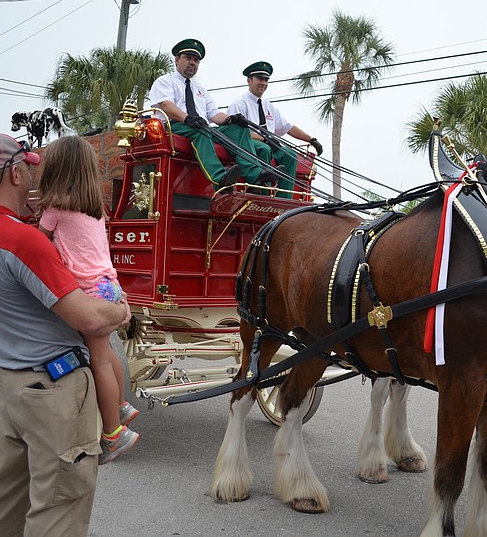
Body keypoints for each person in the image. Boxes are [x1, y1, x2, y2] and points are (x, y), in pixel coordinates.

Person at [0, 134, 131, 537]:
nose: (34, 173)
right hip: (54, 392)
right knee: (58, 511)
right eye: (29, 167)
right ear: (16, 173)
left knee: (3, 500)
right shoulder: (23, 240)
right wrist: (122, 310)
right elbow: (88, 318)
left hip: (10, 383)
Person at [37, 135, 140, 464]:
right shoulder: (95, 210)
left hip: (89, 291)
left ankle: (113, 434)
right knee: (106, 352)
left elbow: (37, 246)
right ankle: (121, 406)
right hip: (109, 286)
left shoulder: (56, 209)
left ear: (57, 168)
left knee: (97, 359)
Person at [149, 38, 254, 191]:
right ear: (177, 60)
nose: (193, 63)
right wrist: (188, 118)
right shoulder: (165, 81)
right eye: (188, 58)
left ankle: (254, 174)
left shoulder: (200, 90)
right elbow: (166, 106)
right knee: (202, 130)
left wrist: (232, 119)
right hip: (174, 126)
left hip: (200, 127)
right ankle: (220, 178)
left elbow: (214, 115)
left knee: (239, 130)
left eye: (196, 60)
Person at [226, 61, 323, 199]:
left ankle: (285, 199)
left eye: (266, 80)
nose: (263, 83)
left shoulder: (269, 107)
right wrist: (265, 139)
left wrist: (311, 139)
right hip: (250, 145)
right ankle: (262, 198)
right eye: (259, 79)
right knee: (263, 149)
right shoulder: (239, 104)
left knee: (289, 155)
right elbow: (234, 132)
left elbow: (288, 127)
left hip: (270, 145)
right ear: (249, 80)